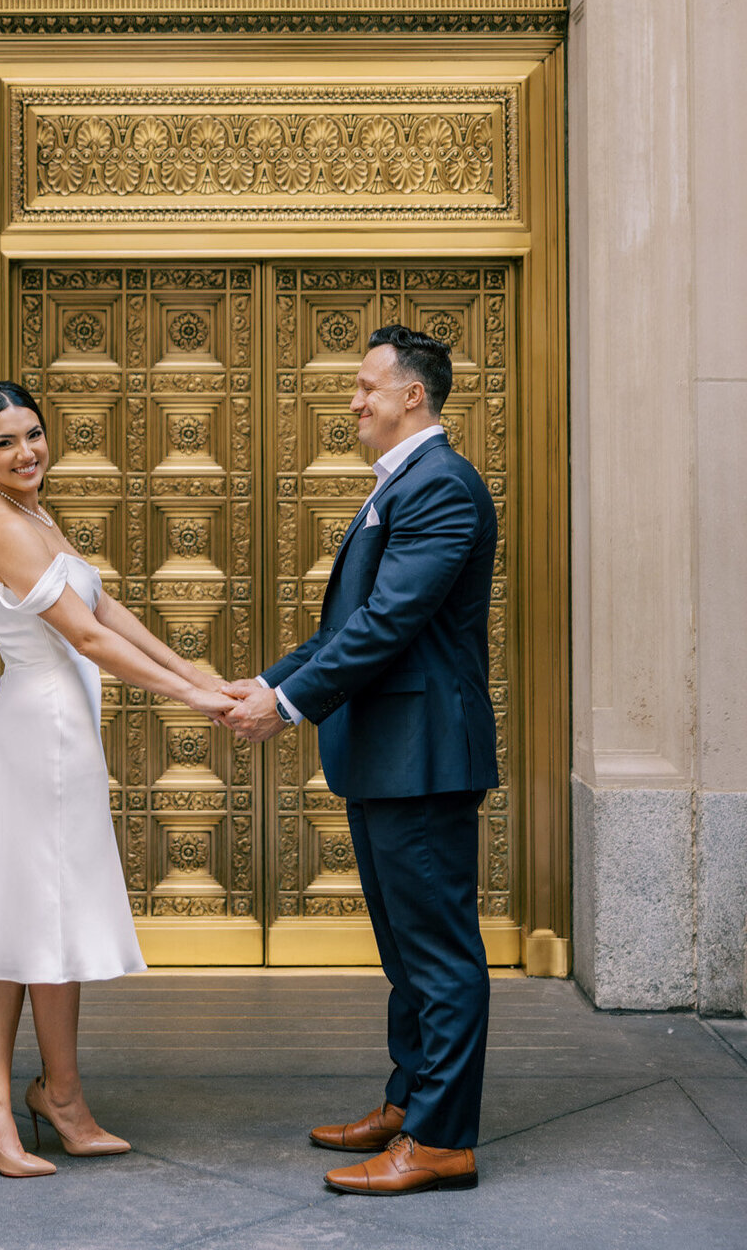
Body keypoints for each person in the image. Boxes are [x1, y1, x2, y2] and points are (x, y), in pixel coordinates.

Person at [0, 380, 233, 1178]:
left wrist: (191, 666)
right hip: (43, 735)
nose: (27, 451)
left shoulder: (31, 513)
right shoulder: (1, 522)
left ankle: (54, 1094)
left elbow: (108, 607)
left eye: (33, 434)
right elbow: (90, 641)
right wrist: (194, 697)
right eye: (5, 442)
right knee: (25, 910)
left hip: (55, 731)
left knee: (41, 912)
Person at [224, 324, 499, 1196]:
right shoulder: (405, 484)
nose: (354, 401)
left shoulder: (442, 486)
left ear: (412, 394)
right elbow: (349, 627)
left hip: (423, 760)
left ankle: (443, 1138)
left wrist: (291, 703)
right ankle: (411, 1099)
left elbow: (390, 625)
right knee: (403, 949)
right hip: (388, 756)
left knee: (439, 953)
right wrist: (267, 678)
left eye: (366, 386)